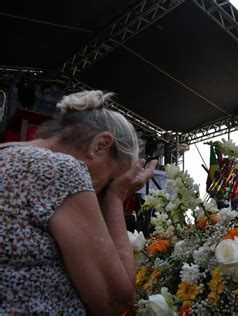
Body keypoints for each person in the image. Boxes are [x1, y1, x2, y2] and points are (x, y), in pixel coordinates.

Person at [0, 90, 158, 314]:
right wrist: (116, 196)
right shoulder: (62, 170)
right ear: (101, 145)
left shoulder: (8, 153)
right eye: (111, 180)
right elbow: (116, 301)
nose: (99, 194)